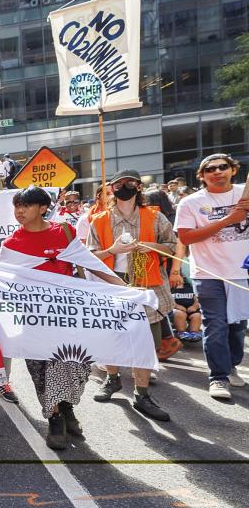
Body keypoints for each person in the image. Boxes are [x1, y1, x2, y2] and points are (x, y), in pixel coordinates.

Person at [2, 187, 125, 449]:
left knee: (73, 367)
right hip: (33, 320)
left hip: (68, 317)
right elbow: (0, 283)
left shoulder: (64, 233)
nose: (19, 211)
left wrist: (125, 290)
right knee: (43, 371)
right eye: (17, 206)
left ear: (43, 208)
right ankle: (55, 418)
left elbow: (92, 264)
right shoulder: (11, 244)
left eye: (26, 206)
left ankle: (67, 408)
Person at [87, 170, 175, 421]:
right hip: (113, 284)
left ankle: (142, 394)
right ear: (112, 189)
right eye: (119, 184)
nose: (124, 187)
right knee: (112, 338)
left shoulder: (155, 217)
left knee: (145, 343)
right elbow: (88, 257)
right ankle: (112, 379)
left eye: (130, 183)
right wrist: (112, 250)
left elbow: (171, 246)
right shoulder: (100, 220)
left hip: (147, 286)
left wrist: (149, 245)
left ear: (138, 187)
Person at [174, 154, 249, 399]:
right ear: (202, 175)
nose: (217, 172)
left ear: (233, 170)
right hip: (208, 274)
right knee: (216, 325)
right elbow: (186, 238)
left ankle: (231, 366)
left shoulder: (244, 194)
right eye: (210, 169)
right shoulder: (190, 203)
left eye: (222, 167)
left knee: (237, 326)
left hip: (241, 273)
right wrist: (229, 219)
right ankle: (218, 377)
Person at [171, 277, 202, 342]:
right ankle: (181, 332)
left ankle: (193, 333)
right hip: (176, 311)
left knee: (197, 316)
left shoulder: (189, 287)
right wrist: (177, 306)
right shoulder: (170, 288)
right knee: (181, 314)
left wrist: (194, 306)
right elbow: (168, 300)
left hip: (190, 309)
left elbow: (197, 298)